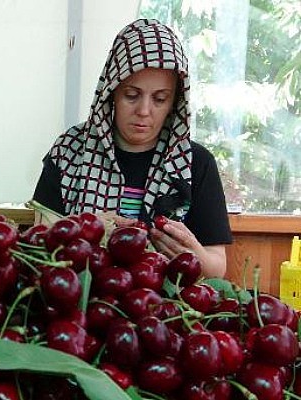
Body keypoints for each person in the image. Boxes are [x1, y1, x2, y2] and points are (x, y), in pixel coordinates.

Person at [32, 19, 232, 278]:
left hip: (164, 312)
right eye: (131, 95)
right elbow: (38, 246)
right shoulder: (69, 151)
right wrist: (90, 231)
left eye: (160, 99)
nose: (144, 111)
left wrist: (194, 256)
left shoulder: (196, 163)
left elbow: (217, 268)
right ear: (111, 92)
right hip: (83, 307)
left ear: (175, 102)